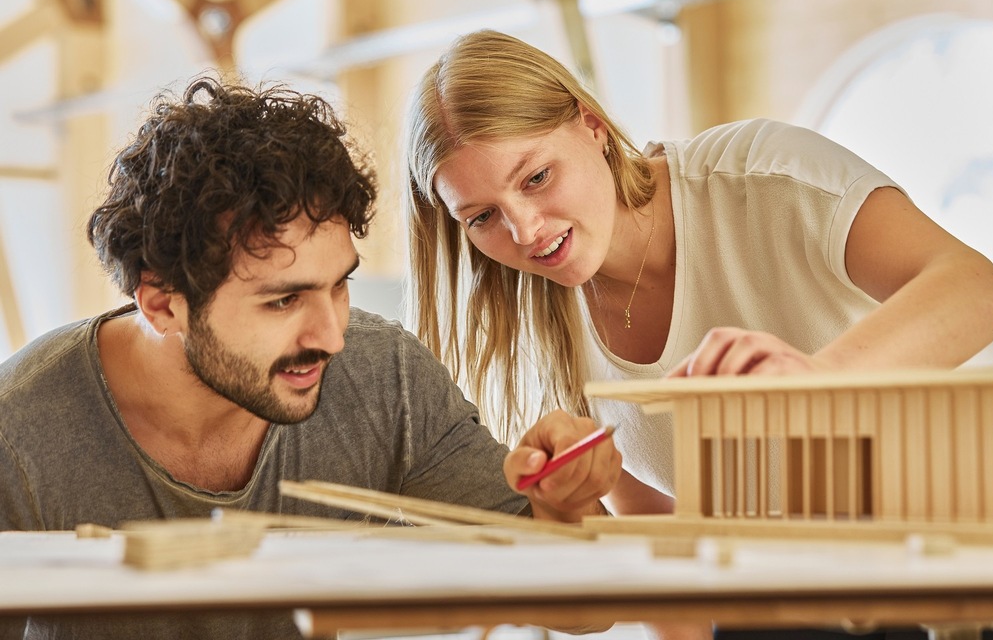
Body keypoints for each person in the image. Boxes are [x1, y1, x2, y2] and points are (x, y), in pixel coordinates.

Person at [0, 75, 620, 640]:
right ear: (164, 306)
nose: (331, 335)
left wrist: (562, 504)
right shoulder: (18, 430)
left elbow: (583, 611)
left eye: (339, 285)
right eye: (283, 300)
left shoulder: (384, 377)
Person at [404, 28, 993, 517]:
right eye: (483, 217)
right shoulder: (545, 330)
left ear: (591, 127)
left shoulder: (763, 175)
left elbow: (978, 289)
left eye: (536, 177)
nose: (526, 231)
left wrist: (819, 380)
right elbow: (661, 528)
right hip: (821, 590)